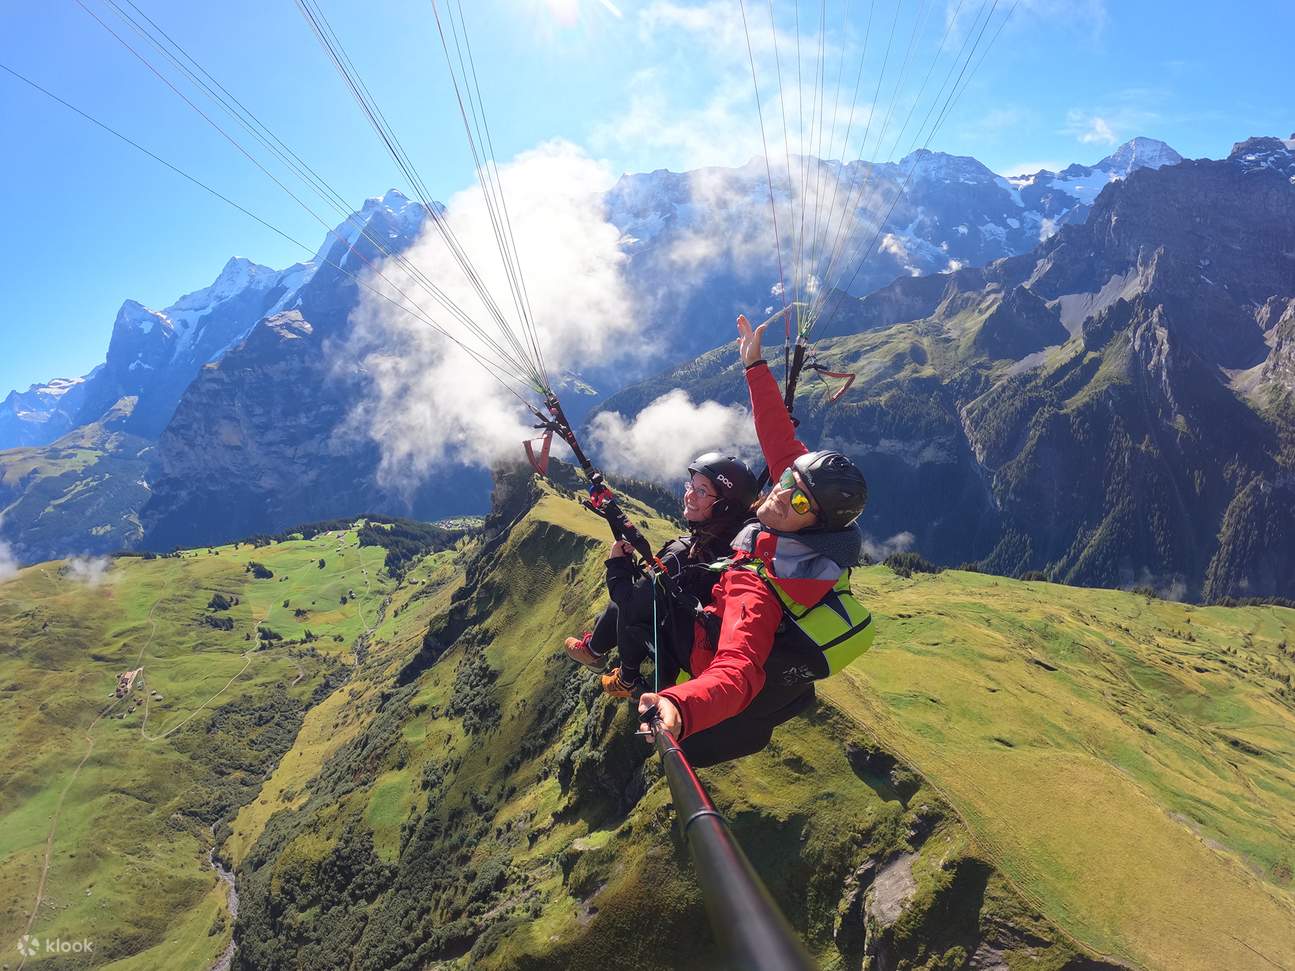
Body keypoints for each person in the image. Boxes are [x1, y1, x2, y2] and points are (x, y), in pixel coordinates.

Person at [636, 313, 870, 767]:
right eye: (787, 483)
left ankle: (632, 674)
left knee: (653, 593)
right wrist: (755, 367)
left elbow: (738, 669)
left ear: (816, 523)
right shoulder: (821, 530)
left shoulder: (762, 584)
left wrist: (680, 707)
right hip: (756, 650)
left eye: (798, 501)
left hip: (709, 654)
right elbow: (780, 440)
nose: (780, 495)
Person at [563, 452, 759, 697]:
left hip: (682, 647)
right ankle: (593, 650)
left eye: (702, 491)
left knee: (628, 601)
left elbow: (628, 602)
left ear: (724, 506)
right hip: (701, 631)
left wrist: (617, 565)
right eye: (691, 485)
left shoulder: (683, 555)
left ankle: (626, 678)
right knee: (644, 586)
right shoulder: (742, 541)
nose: (689, 495)